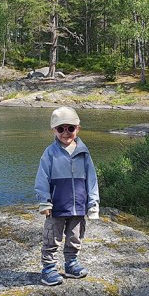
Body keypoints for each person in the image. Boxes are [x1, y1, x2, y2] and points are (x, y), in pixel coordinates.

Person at [34, 106, 100, 286]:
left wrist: (93, 202)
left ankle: (71, 263)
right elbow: (42, 179)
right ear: (53, 130)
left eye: (70, 128)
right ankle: (48, 268)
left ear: (78, 128)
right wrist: (45, 201)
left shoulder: (84, 153)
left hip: (79, 205)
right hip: (56, 205)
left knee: (75, 236)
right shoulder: (49, 153)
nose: (66, 133)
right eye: (60, 129)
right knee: (51, 237)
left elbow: (92, 180)